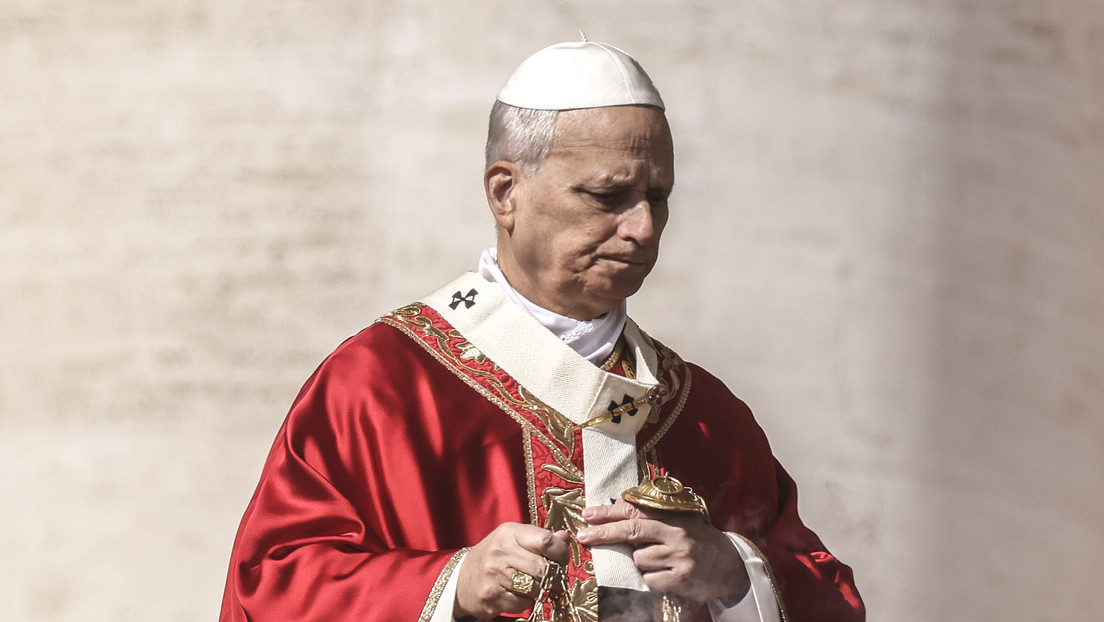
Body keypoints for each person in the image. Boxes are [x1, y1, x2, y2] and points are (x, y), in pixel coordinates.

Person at [219, 40, 865, 622]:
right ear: (506, 194)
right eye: (608, 197)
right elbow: (271, 586)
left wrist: (734, 576)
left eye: (659, 196)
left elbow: (829, 600)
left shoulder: (705, 419)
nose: (643, 228)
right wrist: (451, 586)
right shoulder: (383, 389)